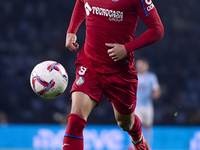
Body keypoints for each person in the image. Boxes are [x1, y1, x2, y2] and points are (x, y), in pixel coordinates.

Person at [63, 0, 164, 149]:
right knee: (76, 118)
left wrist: (127, 48)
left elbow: (157, 29)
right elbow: (80, 1)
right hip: (90, 65)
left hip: (120, 72)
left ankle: (138, 139)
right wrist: (71, 30)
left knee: (125, 122)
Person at [135, 59, 161, 147]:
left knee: (148, 126)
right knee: (135, 127)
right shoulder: (134, 76)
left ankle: (148, 145)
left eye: (142, 65)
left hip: (148, 106)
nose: (140, 67)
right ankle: (136, 146)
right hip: (137, 106)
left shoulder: (151, 77)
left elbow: (156, 89)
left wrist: (155, 94)